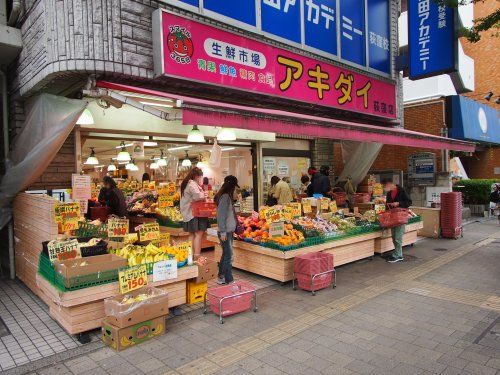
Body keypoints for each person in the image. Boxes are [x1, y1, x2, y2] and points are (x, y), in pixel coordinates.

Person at [214, 175, 239, 285]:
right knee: (229, 256)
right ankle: (229, 279)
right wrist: (223, 231)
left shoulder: (226, 196)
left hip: (228, 231)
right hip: (225, 232)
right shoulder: (224, 197)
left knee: (226, 254)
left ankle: (221, 276)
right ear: (231, 186)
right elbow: (221, 215)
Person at [180, 167, 208, 257]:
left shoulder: (186, 183)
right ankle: (197, 256)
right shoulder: (192, 184)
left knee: (191, 234)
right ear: (196, 176)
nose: (200, 179)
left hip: (188, 212)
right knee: (199, 234)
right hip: (194, 213)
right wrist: (204, 195)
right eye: (200, 177)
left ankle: (190, 256)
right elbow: (197, 196)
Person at [384, 178, 412, 263]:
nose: (385, 187)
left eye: (385, 185)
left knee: (398, 236)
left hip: (400, 216)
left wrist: (398, 203)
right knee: (394, 236)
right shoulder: (389, 193)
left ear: (391, 183)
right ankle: (397, 253)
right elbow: (387, 205)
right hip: (393, 217)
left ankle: (399, 255)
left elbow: (409, 202)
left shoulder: (401, 190)